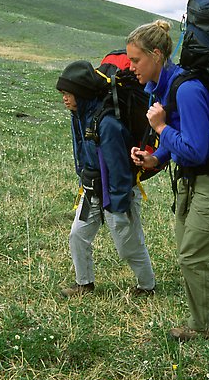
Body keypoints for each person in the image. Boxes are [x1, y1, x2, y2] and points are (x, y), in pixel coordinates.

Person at [126, 19, 209, 341]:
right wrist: (156, 157)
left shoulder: (187, 90)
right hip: (193, 181)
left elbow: (196, 149)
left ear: (156, 54)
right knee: (194, 254)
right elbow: (184, 139)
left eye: (135, 60)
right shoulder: (165, 87)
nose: (131, 67)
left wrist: (159, 129)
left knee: (194, 256)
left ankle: (200, 327)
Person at [55, 60, 156, 298]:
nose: (65, 99)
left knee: (128, 241)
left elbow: (118, 170)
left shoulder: (107, 124)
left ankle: (147, 285)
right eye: (63, 94)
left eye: (68, 94)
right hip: (92, 188)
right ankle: (84, 284)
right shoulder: (79, 115)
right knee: (77, 235)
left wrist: (119, 209)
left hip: (115, 192)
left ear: (82, 93)